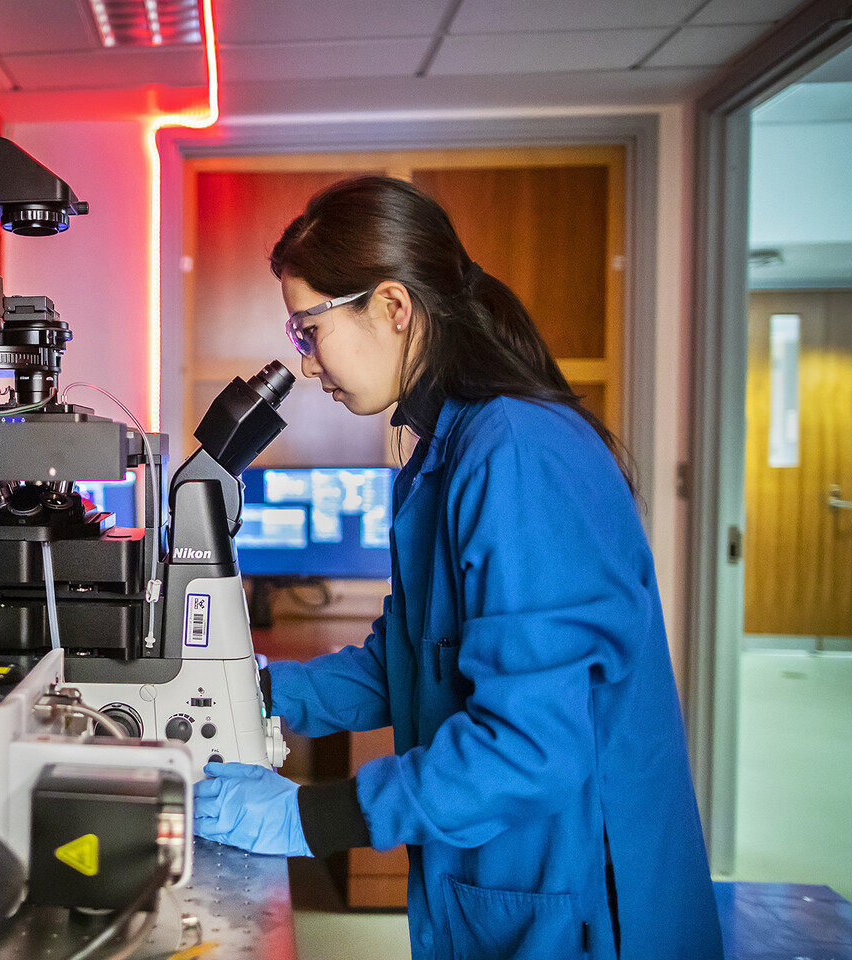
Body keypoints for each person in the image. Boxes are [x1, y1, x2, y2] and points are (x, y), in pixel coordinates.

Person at [191, 176, 723, 960]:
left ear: (394, 308)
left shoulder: (517, 452)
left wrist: (310, 817)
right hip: (496, 886)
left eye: (308, 331)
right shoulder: (449, 450)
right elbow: (405, 666)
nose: (304, 364)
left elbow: (528, 745)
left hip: (577, 906)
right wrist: (248, 686)